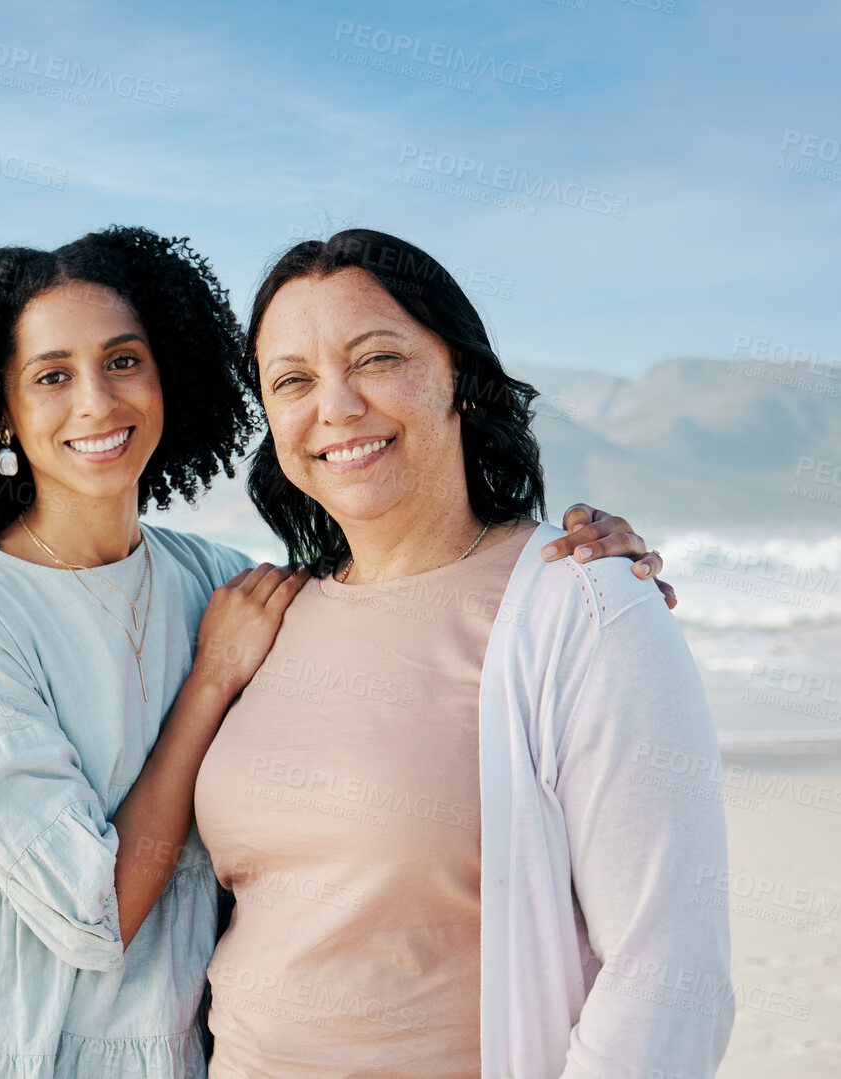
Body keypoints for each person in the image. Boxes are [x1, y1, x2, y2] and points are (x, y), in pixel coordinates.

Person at [0, 225, 669, 1078]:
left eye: (125, 359)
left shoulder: (216, 582)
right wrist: (209, 680)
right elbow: (89, 914)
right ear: (2, 410)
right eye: (52, 376)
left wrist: (585, 571)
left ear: (168, 371)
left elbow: (389, 606)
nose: (98, 400)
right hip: (14, 1054)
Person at [192, 228, 730, 1078]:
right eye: (292, 380)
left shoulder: (585, 600)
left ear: (463, 380)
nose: (334, 406)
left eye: (374, 358)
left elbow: (667, 972)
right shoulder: (261, 613)